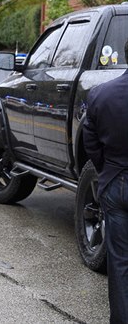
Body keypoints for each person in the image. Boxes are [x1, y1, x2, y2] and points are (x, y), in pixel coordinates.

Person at [82, 40, 128, 324]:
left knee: (120, 261)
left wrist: (106, 169)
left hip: (115, 181)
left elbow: (90, 139)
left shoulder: (101, 94)